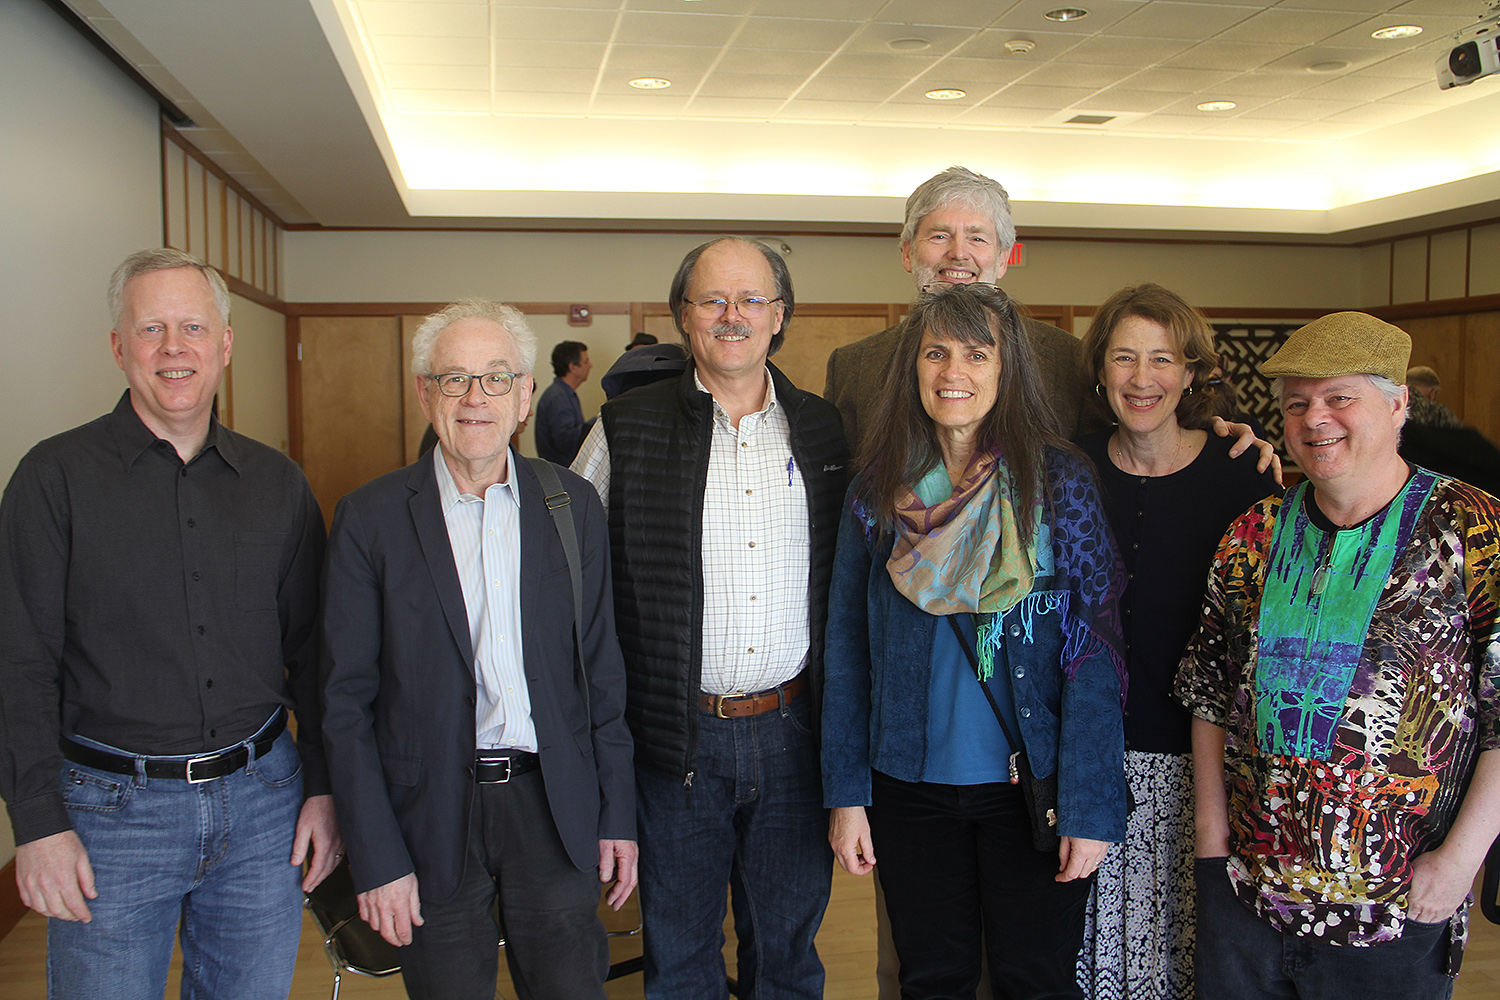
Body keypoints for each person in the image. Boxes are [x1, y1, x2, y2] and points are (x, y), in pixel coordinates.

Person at [0, 247, 339, 999]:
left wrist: (322, 786)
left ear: (224, 343)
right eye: (151, 329)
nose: (174, 348)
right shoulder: (52, 479)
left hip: (263, 807)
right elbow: (16, 661)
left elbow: (316, 654)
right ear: (119, 347)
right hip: (107, 816)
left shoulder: (277, 484)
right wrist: (37, 820)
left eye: (193, 327)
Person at [1176, 312, 1500, 1000]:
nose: (1314, 418)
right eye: (1297, 404)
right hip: (1248, 902)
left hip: (1397, 912)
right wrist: (1211, 849)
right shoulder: (1254, 532)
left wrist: (1460, 862)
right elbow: (1208, 692)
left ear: (1398, 403)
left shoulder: (1474, 530)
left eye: (1338, 398)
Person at [321, 300, 636, 1000]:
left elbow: (601, 675)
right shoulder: (370, 519)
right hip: (427, 814)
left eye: (496, 378)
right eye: (453, 378)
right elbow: (343, 703)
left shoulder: (572, 506)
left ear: (525, 396)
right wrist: (374, 856)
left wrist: (617, 814)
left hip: (552, 807)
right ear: (424, 391)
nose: (474, 398)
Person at [822, 282, 1129, 1000]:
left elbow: (1096, 654)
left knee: (1037, 981)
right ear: (914, 368)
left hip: (1032, 788)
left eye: (975, 353)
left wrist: (1089, 807)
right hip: (908, 785)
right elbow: (845, 647)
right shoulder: (878, 488)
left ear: (1005, 369)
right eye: (935, 352)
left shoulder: (1060, 481)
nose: (952, 371)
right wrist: (846, 796)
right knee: (933, 981)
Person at [572, 237, 849, 999]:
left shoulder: (823, 431)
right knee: (680, 953)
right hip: (672, 740)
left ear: (779, 316)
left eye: (752, 300)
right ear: (683, 318)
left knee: (788, 953)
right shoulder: (623, 430)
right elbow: (566, 577)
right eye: (712, 301)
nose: (734, 317)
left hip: (796, 736)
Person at [1074, 285, 1278, 1000]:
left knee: (1195, 960)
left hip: (1205, 763)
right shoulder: (1069, 466)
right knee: (1091, 960)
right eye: (1124, 357)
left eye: (1163, 359)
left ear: (1191, 374)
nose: (1142, 377)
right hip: (1088, 758)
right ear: (1099, 369)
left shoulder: (1244, 474)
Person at [824, 165, 1091, 446]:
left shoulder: (1069, 360)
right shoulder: (852, 367)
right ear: (907, 253)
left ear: (1002, 259)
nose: (959, 253)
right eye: (940, 236)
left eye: (977, 238)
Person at [534, 339, 593, 465]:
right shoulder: (558, 397)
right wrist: (598, 421)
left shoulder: (565, 394)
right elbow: (565, 442)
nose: (590, 365)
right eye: (586, 362)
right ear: (573, 367)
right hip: (559, 474)